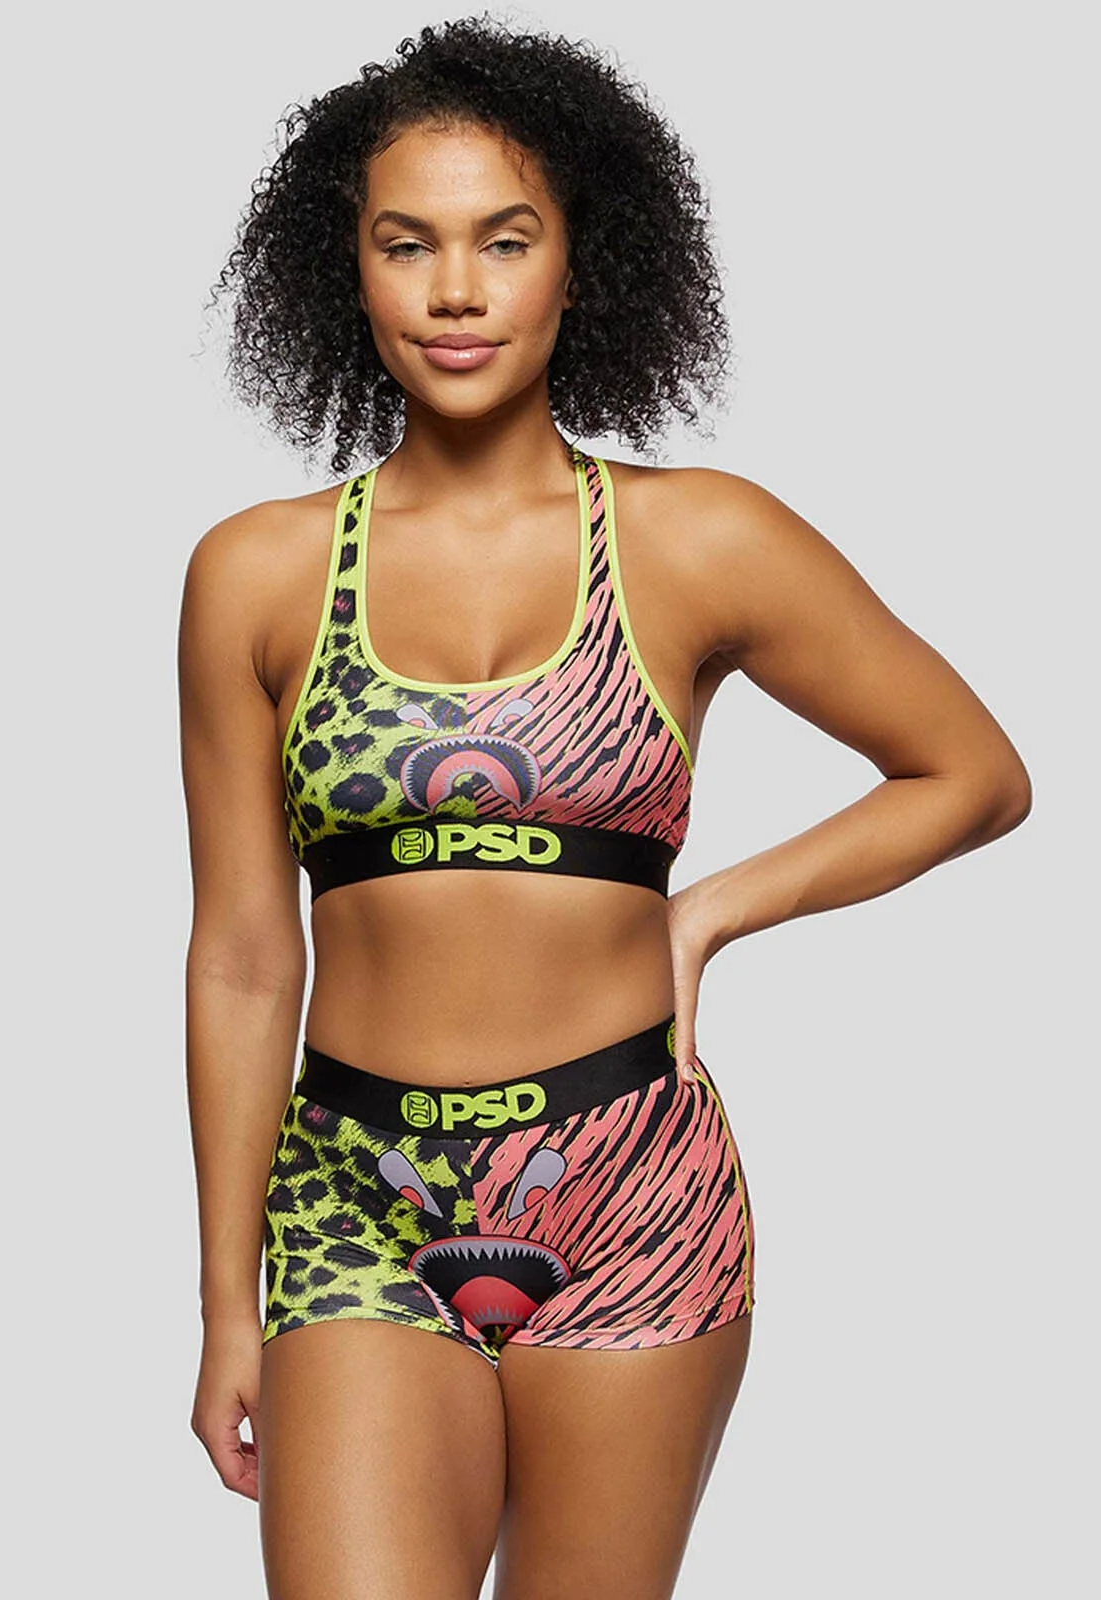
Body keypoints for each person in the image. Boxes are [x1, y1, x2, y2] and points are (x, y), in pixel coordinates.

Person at [178, 18, 1031, 1599]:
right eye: (407, 244)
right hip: (354, 1202)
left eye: (505, 241)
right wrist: (230, 1300)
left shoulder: (700, 541)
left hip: (635, 1188)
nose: (456, 290)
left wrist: (709, 912)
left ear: (582, 265)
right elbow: (242, 953)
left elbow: (971, 773)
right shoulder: (257, 574)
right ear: (345, 272)